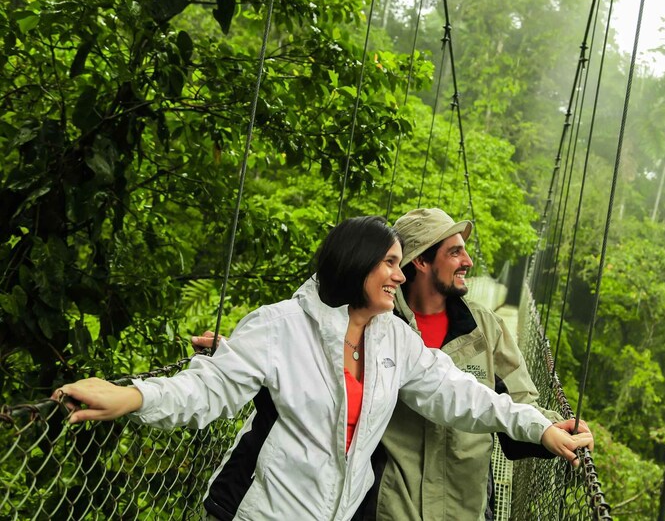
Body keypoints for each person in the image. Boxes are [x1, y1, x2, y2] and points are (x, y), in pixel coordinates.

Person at [53, 216, 593, 521]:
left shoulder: (393, 340)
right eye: (388, 264)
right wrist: (132, 397)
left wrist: (539, 427)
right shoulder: (280, 326)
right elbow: (208, 388)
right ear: (355, 265)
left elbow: (462, 394)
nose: (399, 277)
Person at [358, 207, 589, 521]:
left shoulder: (484, 327)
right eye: (455, 252)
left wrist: (553, 426)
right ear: (421, 261)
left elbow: (517, 403)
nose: (468, 261)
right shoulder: (377, 325)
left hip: (466, 509)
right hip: (391, 510)